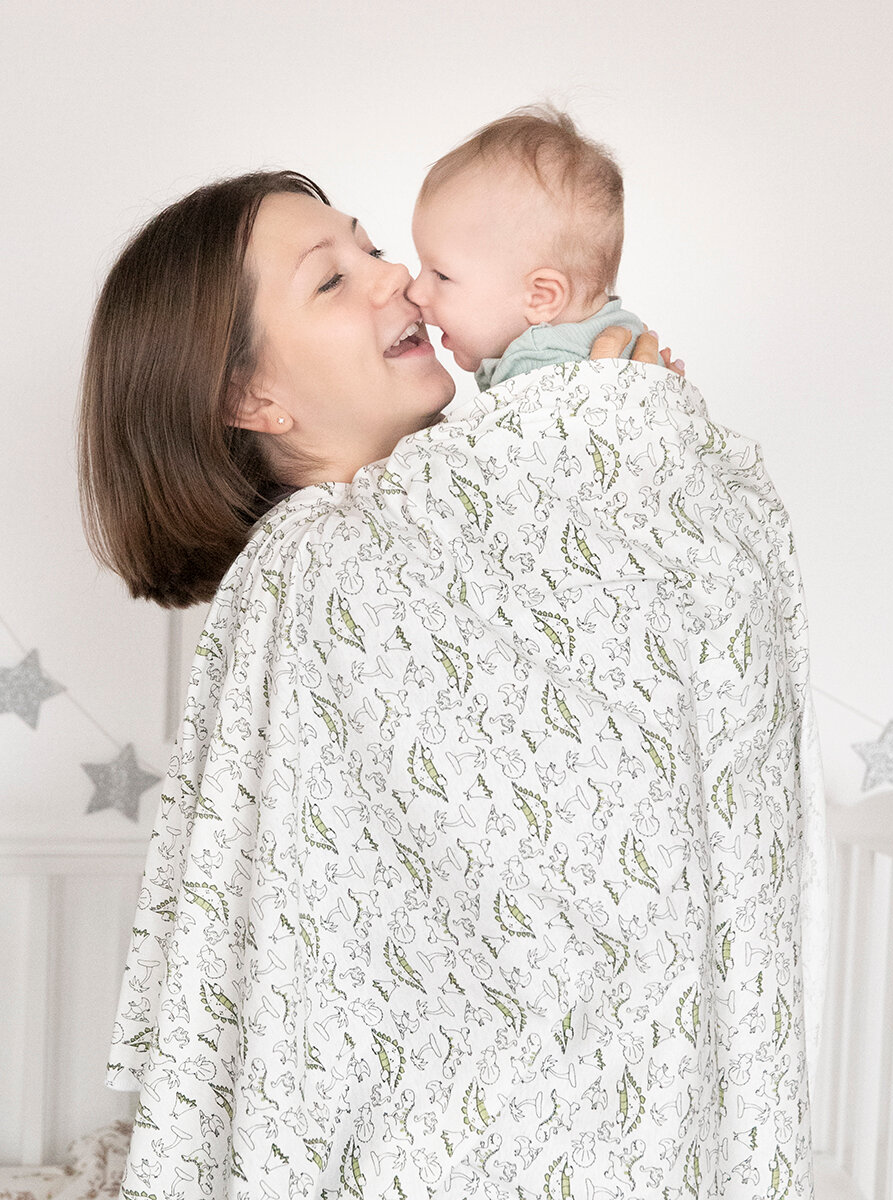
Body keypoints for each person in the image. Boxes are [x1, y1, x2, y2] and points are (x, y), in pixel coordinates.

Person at [81, 165, 825, 1200]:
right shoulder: (327, 563)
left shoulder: (506, 509)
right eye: (331, 280)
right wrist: (618, 437)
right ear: (252, 395)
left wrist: (626, 432)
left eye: (372, 248)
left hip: (617, 1089)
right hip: (450, 1132)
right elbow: (458, 914)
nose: (393, 277)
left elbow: (683, 699)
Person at [408, 105, 679, 391]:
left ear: (541, 297)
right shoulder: (628, 336)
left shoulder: (536, 367)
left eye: (442, 275)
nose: (415, 292)